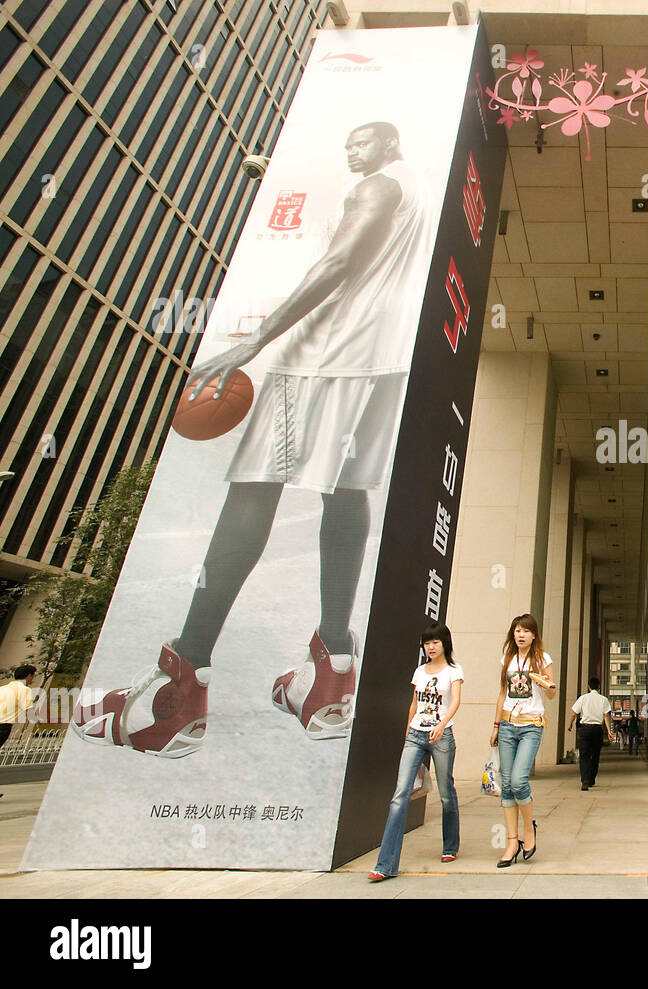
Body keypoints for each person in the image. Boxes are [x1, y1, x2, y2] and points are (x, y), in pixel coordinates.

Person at [71, 122, 434, 758]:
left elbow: (340, 261)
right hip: (380, 363)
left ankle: (176, 689)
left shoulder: (378, 188)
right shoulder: (418, 193)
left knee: (253, 491)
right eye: (347, 143)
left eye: (363, 141)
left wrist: (256, 339)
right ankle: (332, 673)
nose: (351, 150)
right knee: (346, 492)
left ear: (390, 144)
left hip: (321, 358)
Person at [369, 624, 463, 880]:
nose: (430, 647)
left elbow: (455, 701)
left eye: (435, 642)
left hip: (441, 736)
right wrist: (407, 733)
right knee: (399, 795)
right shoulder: (419, 671)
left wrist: (442, 725)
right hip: (415, 734)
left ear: (445, 643)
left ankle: (450, 846)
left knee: (446, 793)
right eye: (426, 643)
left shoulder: (454, 671)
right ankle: (385, 865)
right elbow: (414, 703)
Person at [490, 614, 556, 867]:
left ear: (534, 635)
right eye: (517, 630)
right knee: (506, 785)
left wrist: (546, 684)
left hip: (530, 726)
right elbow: (502, 692)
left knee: (518, 781)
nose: (521, 635)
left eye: (526, 631)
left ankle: (529, 830)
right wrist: (495, 725)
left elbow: (550, 694)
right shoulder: (507, 658)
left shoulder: (542, 658)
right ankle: (511, 843)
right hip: (507, 725)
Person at [567, 676, 614, 790]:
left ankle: (585, 780)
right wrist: (609, 731)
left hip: (585, 729)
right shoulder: (603, 699)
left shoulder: (583, 698)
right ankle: (592, 779)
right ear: (599, 687)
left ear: (588, 687)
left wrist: (570, 724)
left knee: (584, 755)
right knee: (595, 755)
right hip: (597, 729)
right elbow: (606, 716)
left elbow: (574, 713)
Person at [0, 665, 38, 751]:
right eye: (33, 676)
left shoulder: (2, 688)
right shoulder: (25, 690)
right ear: (29, 676)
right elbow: (30, 711)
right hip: (3, 726)